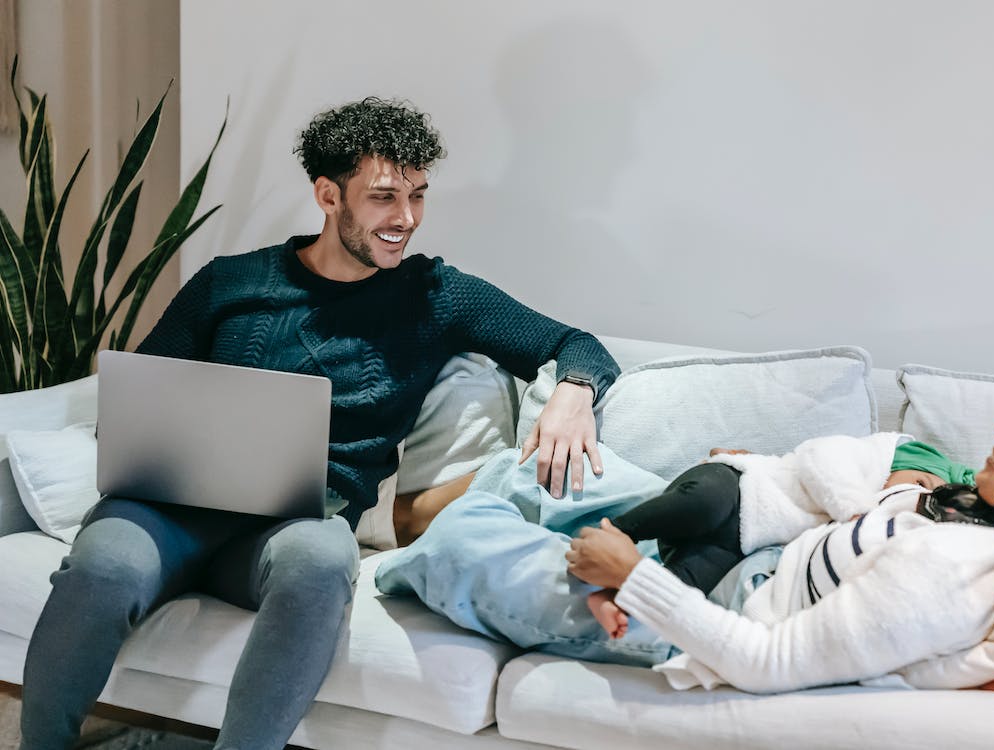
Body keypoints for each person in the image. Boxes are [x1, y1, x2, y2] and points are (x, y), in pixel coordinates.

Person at [20, 97, 620, 750]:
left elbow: (575, 342)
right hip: (169, 512)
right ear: (328, 195)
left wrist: (573, 392)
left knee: (323, 559)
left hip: (294, 525)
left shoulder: (436, 295)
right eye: (385, 198)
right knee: (104, 563)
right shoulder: (227, 285)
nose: (407, 219)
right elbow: (139, 402)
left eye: (418, 197)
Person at [377, 395, 994, 693]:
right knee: (533, 471)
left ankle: (384, 559)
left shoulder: (954, 574)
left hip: (707, 605)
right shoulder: (971, 516)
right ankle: (412, 527)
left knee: (469, 543)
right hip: (747, 539)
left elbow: (770, 662)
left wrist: (632, 575)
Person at [585, 440, 975, 639]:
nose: (912, 498)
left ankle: (615, 597)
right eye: (921, 483)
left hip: (741, 545)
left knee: (692, 586)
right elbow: (818, 459)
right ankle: (616, 531)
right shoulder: (862, 465)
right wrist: (853, 509)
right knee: (702, 504)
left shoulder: (879, 530)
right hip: (741, 488)